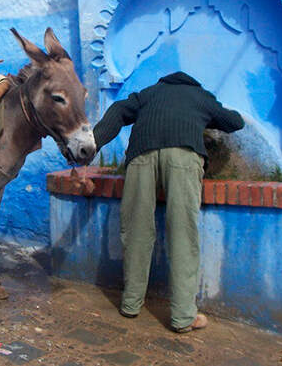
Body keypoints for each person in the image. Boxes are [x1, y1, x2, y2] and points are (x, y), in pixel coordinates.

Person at [93, 71, 244, 333]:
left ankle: (130, 304)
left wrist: (95, 140)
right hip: (183, 159)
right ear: (191, 83)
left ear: (164, 81)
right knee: (183, 234)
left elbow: (118, 109)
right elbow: (234, 122)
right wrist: (218, 113)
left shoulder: (149, 94)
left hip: (141, 156)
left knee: (136, 229)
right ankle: (183, 317)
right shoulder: (200, 96)